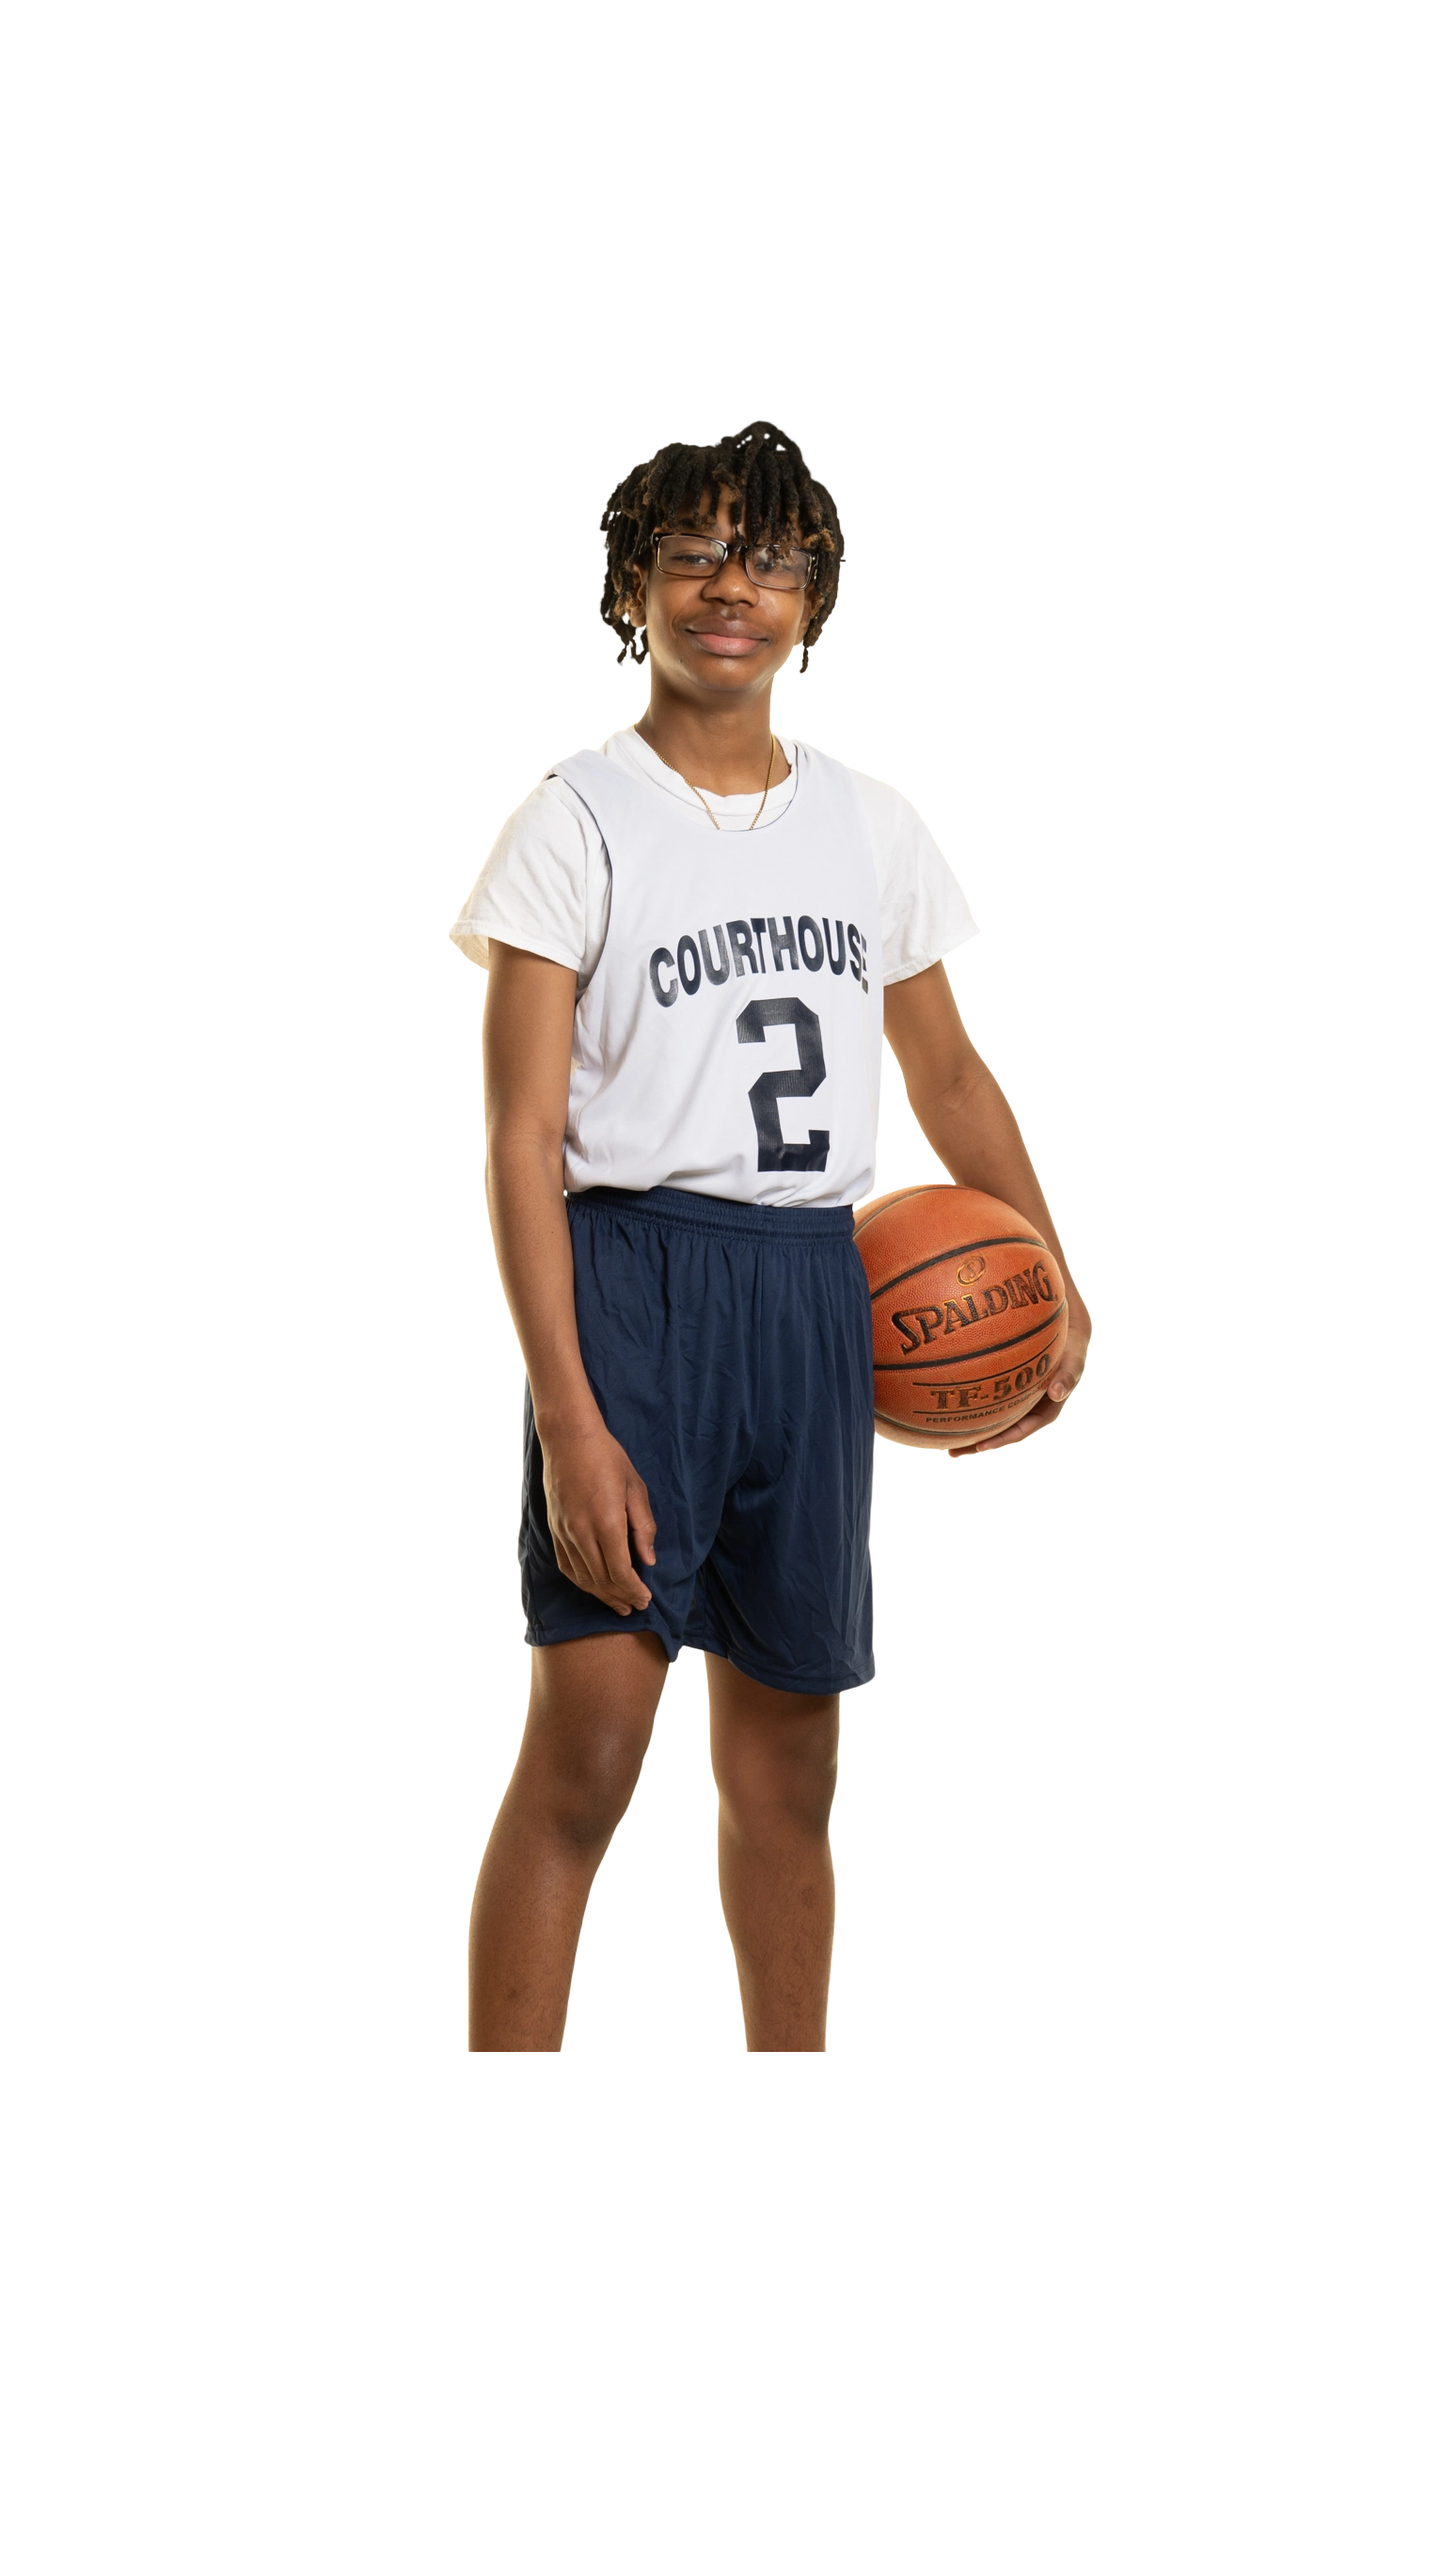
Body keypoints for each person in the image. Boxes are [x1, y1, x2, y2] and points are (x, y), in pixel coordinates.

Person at [450, 421, 1091, 2052]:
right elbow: (520, 1140)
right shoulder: (575, 820)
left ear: (815, 593)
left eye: (772, 557)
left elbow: (948, 1073)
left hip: (816, 1293)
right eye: (694, 552)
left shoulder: (869, 826)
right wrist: (571, 1413)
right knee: (588, 1754)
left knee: (790, 1768)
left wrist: (1053, 1265)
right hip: (638, 1292)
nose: (732, 586)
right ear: (633, 585)